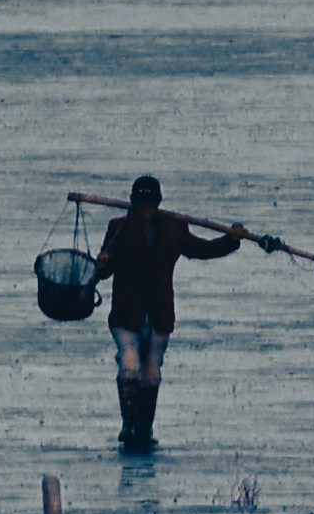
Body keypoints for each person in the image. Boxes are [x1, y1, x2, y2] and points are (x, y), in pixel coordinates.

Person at [91, 174, 250, 453]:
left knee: (151, 375)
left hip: (160, 312)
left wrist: (231, 240)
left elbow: (203, 250)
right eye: (141, 204)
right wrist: (102, 263)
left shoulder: (174, 229)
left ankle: (144, 427)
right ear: (132, 203)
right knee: (129, 369)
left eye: (150, 204)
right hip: (126, 314)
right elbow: (104, 272)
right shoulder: (119, 228)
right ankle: (128, 426)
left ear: (158, 203)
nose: (145, 210)